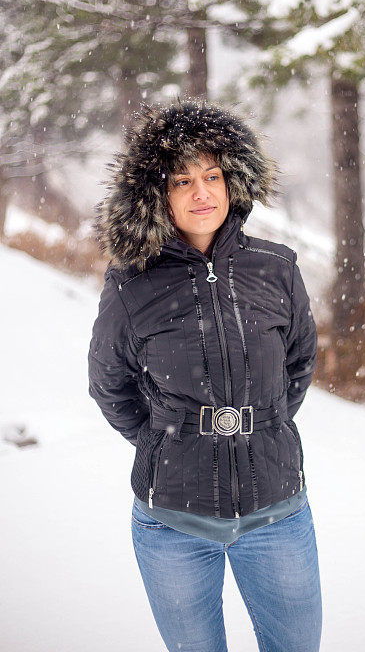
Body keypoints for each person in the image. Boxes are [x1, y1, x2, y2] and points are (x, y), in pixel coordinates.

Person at [88, 100, 322, 652]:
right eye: (183, 180)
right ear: (156, 194)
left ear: (232, 180)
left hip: (278, 512)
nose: (203, 193)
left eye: (213, 176)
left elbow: (299, 363)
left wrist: (260, 427)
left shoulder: (278, 267)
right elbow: (110, 384)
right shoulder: (132, 285)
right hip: (172, 523)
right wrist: (164, 439)